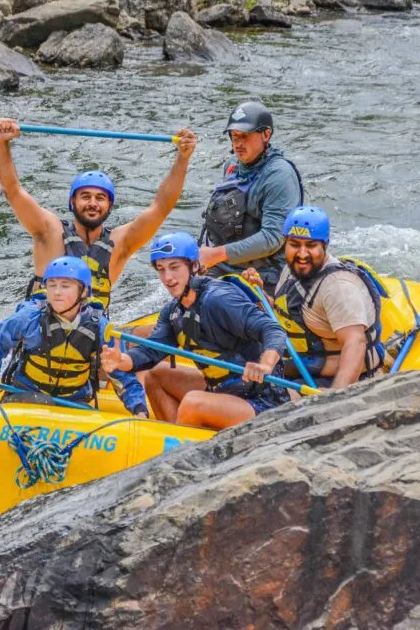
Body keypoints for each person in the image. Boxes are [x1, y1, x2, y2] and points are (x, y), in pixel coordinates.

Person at [0, 118, 198, 311]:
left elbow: (161, 207)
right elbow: (12, 190)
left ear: (109, 206)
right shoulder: (49, 232)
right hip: (42, 336)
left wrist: (183, 158)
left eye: (100, 198)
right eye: (85, 196)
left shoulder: (121, 243)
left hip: (89, 339)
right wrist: (2, 143)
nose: (92, 203)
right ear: (72, 202)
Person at [101, 233, 289, 430]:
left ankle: (181, 447)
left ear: (194, 266)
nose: (168, 278)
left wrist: (265, 365)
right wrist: (122, 360)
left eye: (174, 268)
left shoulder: (219, 298)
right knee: (156, 375)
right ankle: (171, 437)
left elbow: (272, 329)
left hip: (262, 399)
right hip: (222, 390)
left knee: (192, 402)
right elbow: (151, 352)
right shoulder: (174, 311)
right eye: (161, 270)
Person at [0, 256, 148, 416]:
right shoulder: (30, 317)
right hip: (26, 395)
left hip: (73, 402)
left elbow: (123, 376)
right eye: (52, 285)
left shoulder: (99, 326)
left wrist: (139, 409)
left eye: (65, 286)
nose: (56, 292)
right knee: (38, 401)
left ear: (83, 292)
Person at [249, 206, 385, 389]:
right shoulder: (292, 269)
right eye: (295, 245)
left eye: (311, 246)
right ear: (285, 244)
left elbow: (355, 343)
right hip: (297, 369)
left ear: (325, 245)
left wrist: (335, 398)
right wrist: (260, 295)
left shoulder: (338, 287)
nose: (302, 254)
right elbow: (285, 314)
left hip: (331, 381)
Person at [198, 102, 304, 295]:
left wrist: (216, 254)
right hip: (225, 266)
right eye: (234, 136)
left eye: (245, 136)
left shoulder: (280, 176)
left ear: (266, 134)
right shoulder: (232, 165)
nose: (238, 143)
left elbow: (273, 238)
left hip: (267, 275)